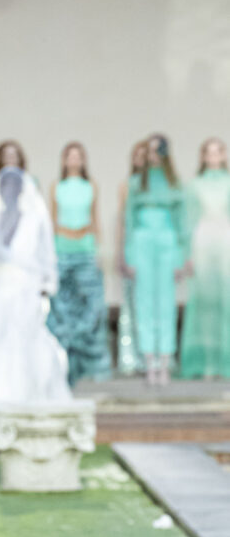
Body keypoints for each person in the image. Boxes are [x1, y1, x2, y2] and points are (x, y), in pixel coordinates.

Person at [0, 165, 70, 407]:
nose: (9, 190)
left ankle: (28, 391)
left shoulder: (35, 218)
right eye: (5, 186)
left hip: (26, 289)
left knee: (24, 338)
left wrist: (47, 282)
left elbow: (46, 252)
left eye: (14, 186)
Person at [124, 133, 188, 386]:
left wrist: (183, 257)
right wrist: (129, 255)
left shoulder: (174, 183)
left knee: (166, 301)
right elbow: (129, 221)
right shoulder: (136, 182)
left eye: (157, 150)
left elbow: (182, 222)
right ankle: (149, 361)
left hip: (167, 241)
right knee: (144, 301)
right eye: (149, 150)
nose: (153, 155)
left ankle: (165, 361)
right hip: (143, 242)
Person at [47, 142, 111, 385]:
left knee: (90, 308)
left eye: (78, 156)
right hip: (62, 251)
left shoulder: (90, 186)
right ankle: (63, 364)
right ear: (64, 160)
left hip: (85, 250)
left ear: (83, 160)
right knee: (62, 308)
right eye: (70, 156)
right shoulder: (57, 186)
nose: (74, 160)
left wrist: (98, 250)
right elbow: (53, 221)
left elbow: (95, 220)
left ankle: (92, 365)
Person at [179, 137, 230, 378]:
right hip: (202, 242)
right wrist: (187, 255)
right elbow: (188, 220)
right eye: (209, 152)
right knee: (204, 301)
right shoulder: (194, 185)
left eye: (218, 151)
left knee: (226, 300)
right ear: (203, 156)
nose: (214, 156)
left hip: (225, 241)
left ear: (224, 154)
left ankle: (224, 361)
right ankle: (205, 362)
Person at [116, 140, 147, 375]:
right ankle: (130, 357)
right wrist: (120, 253)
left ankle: (152, 356)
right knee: (132, 303)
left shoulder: (163, 187)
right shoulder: (126, 186)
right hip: (133, 249)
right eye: (138, 155)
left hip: (155, 250)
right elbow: (123, 222)